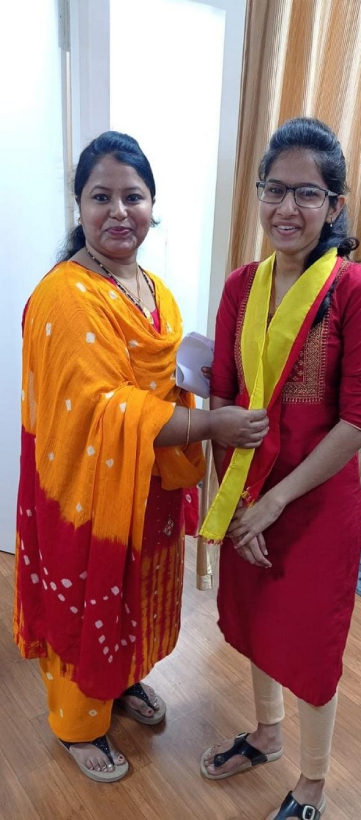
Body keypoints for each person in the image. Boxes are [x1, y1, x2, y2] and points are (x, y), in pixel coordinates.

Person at [13, 131, 268, 783]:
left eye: (134, 196)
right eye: (101, 197)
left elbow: (162, 382)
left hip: (147, 486)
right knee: (90, 597)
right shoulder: (66, 296)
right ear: (79, 206)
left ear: (154, 204)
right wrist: (210, 422)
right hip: (87, 493)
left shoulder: (156, 290)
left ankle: (121, 680)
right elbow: (106, 409)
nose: (119, 211)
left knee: (130, 595)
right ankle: (78, 724)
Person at [200, 118, 361, 819]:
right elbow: (224, 397)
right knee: (261, 622)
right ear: (258, 194)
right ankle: (267, 734)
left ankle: (312, 782)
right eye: (274, 189)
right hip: (250, 493)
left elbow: (359, 419)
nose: (287, 207)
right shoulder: (241, 287)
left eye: (307, 193)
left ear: (334, 205)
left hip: (314, 507)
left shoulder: (354, 290)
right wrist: (238, 502)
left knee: (309, 641)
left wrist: (273, 504)